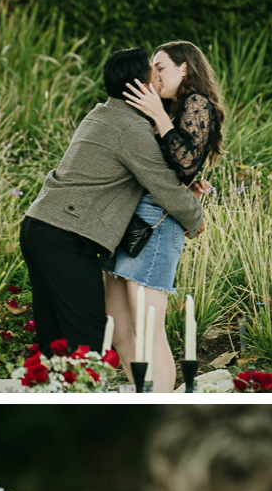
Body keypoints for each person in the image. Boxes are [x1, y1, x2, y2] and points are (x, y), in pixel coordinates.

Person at [19, 48, 204, 358]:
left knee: (56, 339)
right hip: (64, 236)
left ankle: (58, 394)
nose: (158, 77)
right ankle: (84, 398)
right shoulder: (129, 128)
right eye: (152, 72)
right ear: (139, 85)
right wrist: (196, 219)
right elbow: (163, 186)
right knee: (87, 340)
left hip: (40, 227)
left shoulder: (103, 113)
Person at [100, 41, 225, 392]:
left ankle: (163, 398)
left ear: (184, 68)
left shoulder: (196, 103)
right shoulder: (167, 107)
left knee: (147, 327)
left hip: (155, 223)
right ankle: (144, 391)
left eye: (161, 67)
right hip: (127, 220)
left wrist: (156, 114)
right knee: (119, 326)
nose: (155, 75)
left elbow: (185, 161)